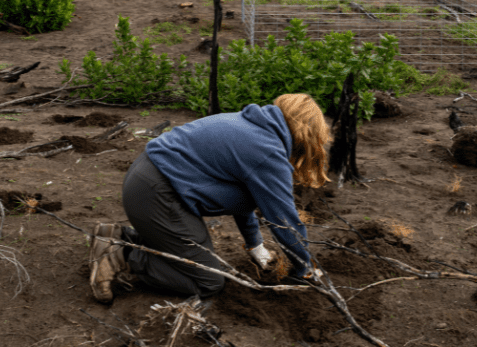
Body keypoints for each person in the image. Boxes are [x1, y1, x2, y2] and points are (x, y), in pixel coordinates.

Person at [88, 93, 330, 303]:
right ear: (305, 135)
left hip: (142, 179)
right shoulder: (268, 154)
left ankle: (120, 237)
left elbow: (244, 198)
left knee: (195, 252)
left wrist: (255, 245)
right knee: (207, 281)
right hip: (158, 194)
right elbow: (284, 221)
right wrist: (306, 269)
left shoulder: (249, 126)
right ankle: (124, 257)